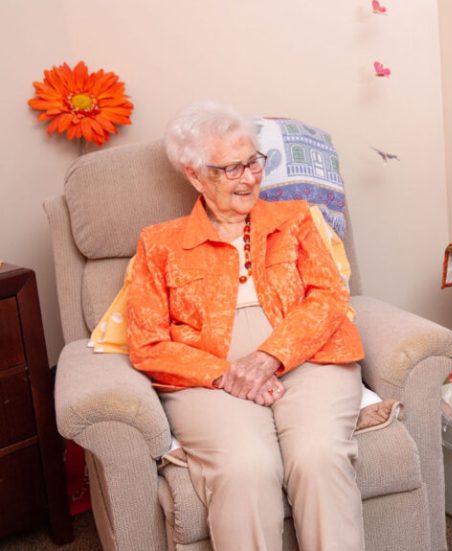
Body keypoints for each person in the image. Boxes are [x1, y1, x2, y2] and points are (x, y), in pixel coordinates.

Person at [127, 101, 369, 550]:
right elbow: (147, 344)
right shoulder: (159, 244)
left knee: (319, 457)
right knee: (246, 466)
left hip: (310, 356)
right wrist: (227, 374)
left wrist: (268, 357)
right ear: (195, 174)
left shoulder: (295, 218)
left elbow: (329, 296)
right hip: (209, 375)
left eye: (253, 162)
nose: (250, 177)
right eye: (231, 168)